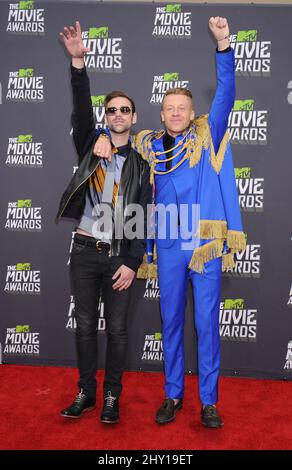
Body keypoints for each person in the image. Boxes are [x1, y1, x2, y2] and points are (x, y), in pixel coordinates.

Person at [94, 17, 245, 428]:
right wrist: (100, 135)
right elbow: (116, 134)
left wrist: (223, 46)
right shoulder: (149, 146)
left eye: (183, 108)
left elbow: (227, 94)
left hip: (203, 244)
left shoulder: (207, 133)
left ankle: (209, 401)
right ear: (160, 114)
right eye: (169, 108)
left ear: (193, 112)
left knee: (206, 325)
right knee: (172, 323)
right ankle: (173, 395)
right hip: (168, 244)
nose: (176, 113)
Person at [57, 21, 151, 424]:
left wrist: (132, 261)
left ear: (133, 117)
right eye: (110, 110)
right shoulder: (89, 146)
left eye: (123, 110)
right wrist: (78, 62)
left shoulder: (142, 165)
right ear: (106, 116)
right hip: (82, 251)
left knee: (116, 331)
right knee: (82, 329)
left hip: (117, 257)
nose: (117, 114)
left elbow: (143, 219)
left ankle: (112, 396)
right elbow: (80, 108)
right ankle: (86, 393)